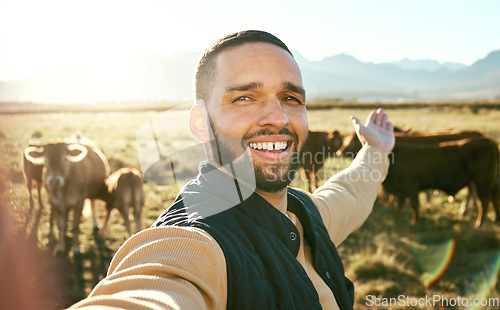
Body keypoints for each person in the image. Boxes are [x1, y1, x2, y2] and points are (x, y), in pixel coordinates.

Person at [69, 30, 394, 309]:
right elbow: (155, 285)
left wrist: (376, 150)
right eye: (244, 98)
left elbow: (349, 193)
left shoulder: (306, 214)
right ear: (200, 123)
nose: (278, 117)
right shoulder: (197, 244)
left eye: (290, 97)